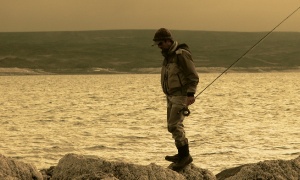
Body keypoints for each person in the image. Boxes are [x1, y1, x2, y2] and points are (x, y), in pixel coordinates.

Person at [152, 28, 199, 171]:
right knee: (172, 126)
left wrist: (190, 94)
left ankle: (185, 156)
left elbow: (193, 76)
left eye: (160, 43)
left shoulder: (181, 55)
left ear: (168, 41)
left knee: (174, 125)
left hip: (180, 95)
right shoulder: (168, 55)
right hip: (171, 96)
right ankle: (181, 154)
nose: (159, 47)